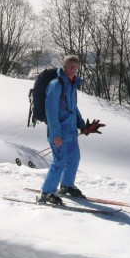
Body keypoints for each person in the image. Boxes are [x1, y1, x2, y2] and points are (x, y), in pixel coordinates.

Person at [36, 54, 104, 205]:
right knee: (59, 162)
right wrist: (56, 135)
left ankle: (66, 185)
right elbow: (51, 111)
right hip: (58, 132)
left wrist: (82, 125)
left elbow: (73, 108)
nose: (73, 69)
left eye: (76, 66)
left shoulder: (72, 84)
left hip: (71, 132)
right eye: (70, 66)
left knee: (74, 158)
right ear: (64, 66)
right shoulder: (56, 84)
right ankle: (46, 193)